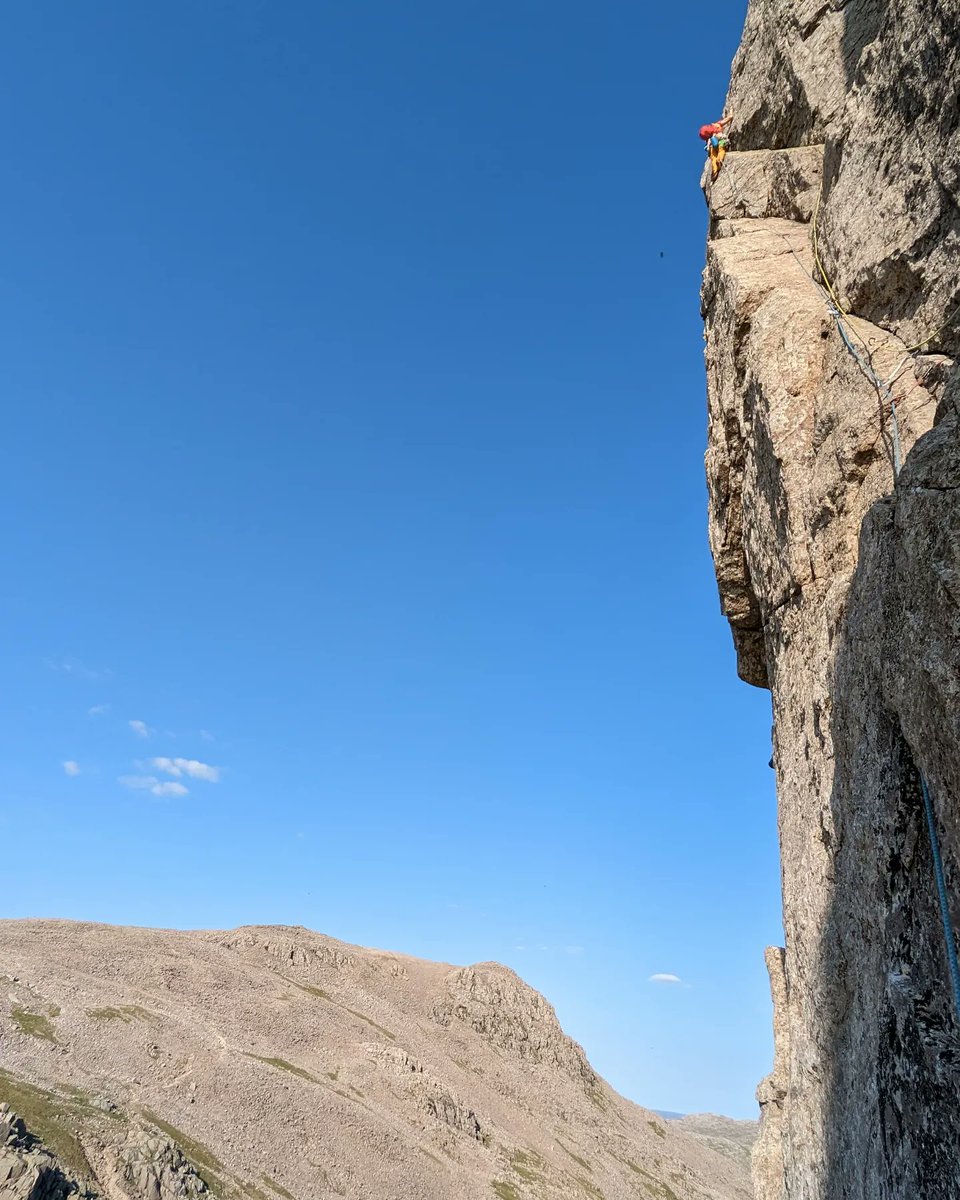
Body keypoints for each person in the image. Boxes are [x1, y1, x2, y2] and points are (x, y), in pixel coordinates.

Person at [699, 115, 733, 180]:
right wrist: (731, 111)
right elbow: (730, 117)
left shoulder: (708, 140)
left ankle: (714, 170)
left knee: (713, 157)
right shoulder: (716, 125)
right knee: (721, 150)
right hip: (721, 140)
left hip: (712, 146)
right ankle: (719, 160)